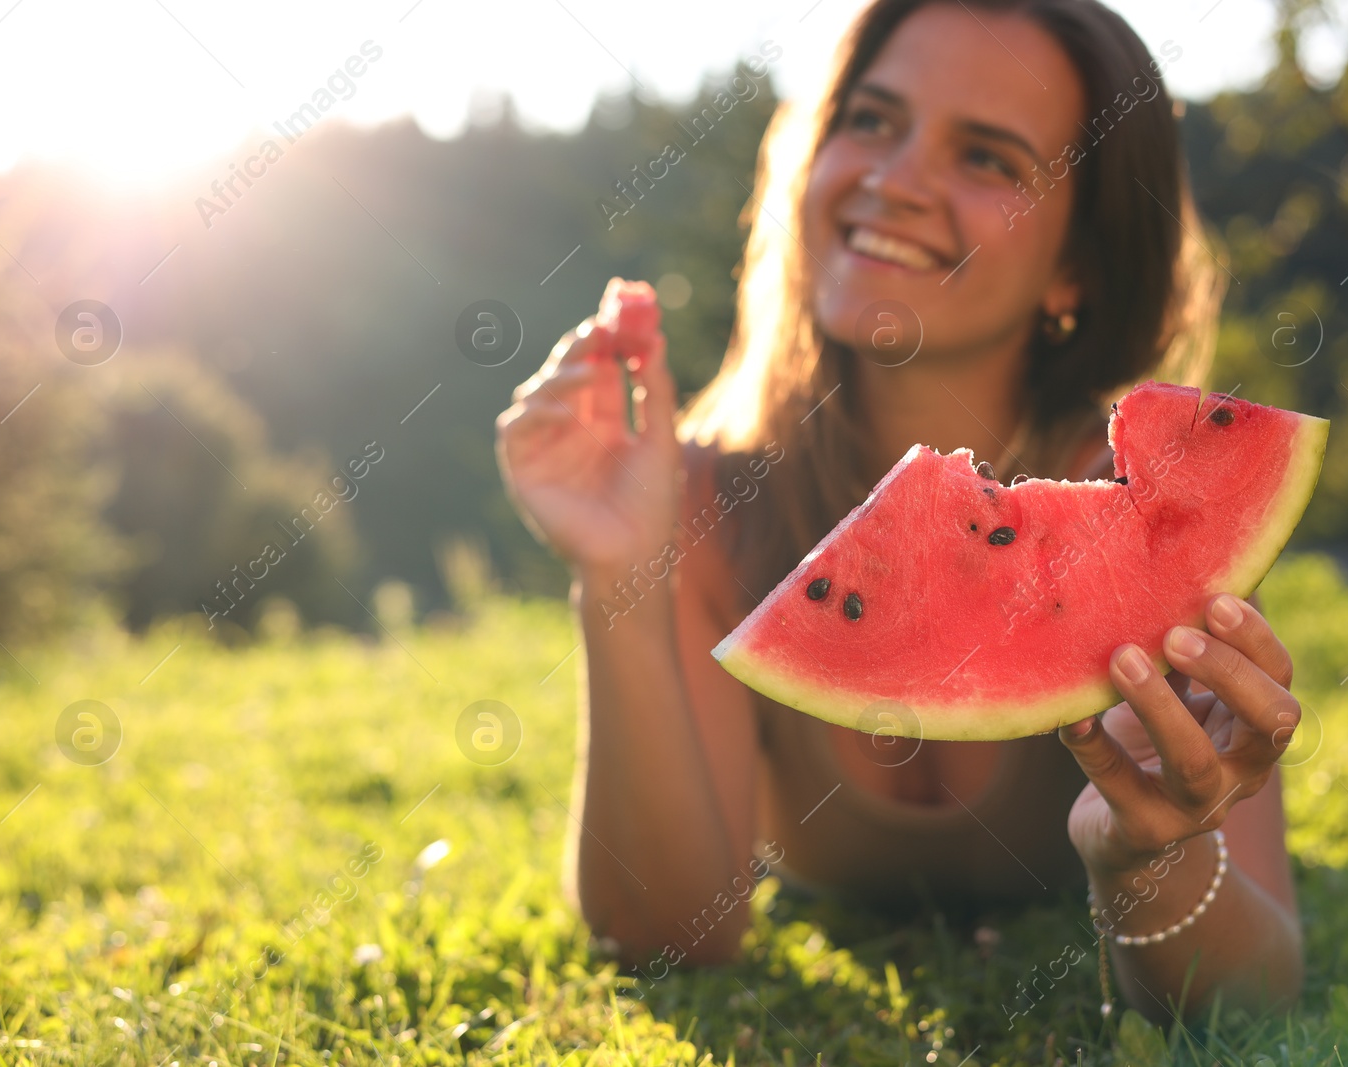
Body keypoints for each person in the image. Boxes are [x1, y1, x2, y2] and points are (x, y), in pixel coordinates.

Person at [495, 0, 1304, 1022]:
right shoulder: (706, 505)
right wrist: (618, 573)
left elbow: (1258, 997)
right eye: (871, 120)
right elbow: (668, 934)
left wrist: (1152, 857)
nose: (895, 178)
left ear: (1075, 268)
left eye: (988, 159)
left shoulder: (1155, 515)